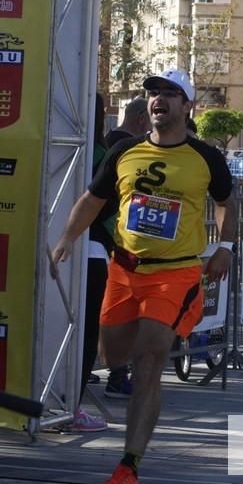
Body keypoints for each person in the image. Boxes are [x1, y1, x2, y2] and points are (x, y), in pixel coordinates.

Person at [51, 68, 236, 484]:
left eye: (171, 94)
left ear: (187, 107)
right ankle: (133, 378)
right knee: (113, 355)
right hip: (124, 269)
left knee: (150, 358)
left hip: (176, 272)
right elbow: (92, 200)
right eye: (154, 92)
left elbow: (226, 204)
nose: (160, 99)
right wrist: (66, 238)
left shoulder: (206, 157)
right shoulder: (125, 151)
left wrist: (225, 247)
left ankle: (127, 467)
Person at [102, 96, 151, 398]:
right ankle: (118, 376)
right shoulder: (125, 149)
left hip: (115, 242)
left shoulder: (108, 141)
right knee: (120, 318)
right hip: (118, 243)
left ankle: (116, 373)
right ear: (142, 121)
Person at [71, 93, 115, 432]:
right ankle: (70, 404)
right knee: (83, 333)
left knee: (82, 332)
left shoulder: (101, 154)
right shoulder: (101, 154)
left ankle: (70, 404)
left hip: (84, 251)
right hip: (86, 253)